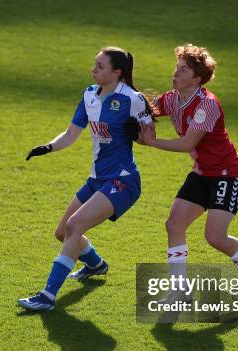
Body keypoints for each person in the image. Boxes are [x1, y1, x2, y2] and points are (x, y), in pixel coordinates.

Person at [138, 43, 238, 304]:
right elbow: (147, 110)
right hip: (202, 173)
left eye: (183, 70)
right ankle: (181, 290)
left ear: (197, 78)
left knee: (215, 237)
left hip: (228, 175)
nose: (175, 74)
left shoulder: (207, 105)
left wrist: (151, 141)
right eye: (176, 68)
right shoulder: (172, 98)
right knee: (174, 224)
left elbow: (187, 144)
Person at [18, 47, 153, 311]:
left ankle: (47, 296)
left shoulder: (132, 99)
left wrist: (136, 135)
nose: (94, 69)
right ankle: (95, 265)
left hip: (123, 180)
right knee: (62, 233)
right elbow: (70, 135)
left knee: (75, 225)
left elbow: (149, 138)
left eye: (100, 66)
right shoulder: (89, 94)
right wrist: (47, 147)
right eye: (95, 64)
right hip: (97, 179)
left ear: (117, 72)